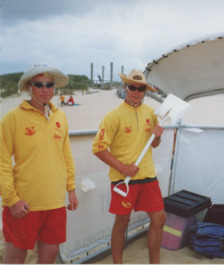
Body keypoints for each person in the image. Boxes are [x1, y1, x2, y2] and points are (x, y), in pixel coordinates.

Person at [0, 64, 79, 263]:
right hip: (23, 204)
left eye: (49, 85)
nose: (45, 89)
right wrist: (11, 200)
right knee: (16, 257)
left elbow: (66, 154)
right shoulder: (13, 118)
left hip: (55, 201)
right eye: (39, 84)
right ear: (29, 87)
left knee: (50, 255)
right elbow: (2, 161)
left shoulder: (60, 116)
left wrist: (71, 188)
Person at [92, 69, 166, 264]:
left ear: (145, 91)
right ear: (125, 87)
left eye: (140, 88)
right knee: (122, 222)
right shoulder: (113, 116)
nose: (136, 91)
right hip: (123, 179)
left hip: (148, 175)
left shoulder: (152, 113)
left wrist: (157, 136)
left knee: (159, 219)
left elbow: (154, 144)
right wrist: (123, 168)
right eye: (132, 87)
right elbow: (98, 148)